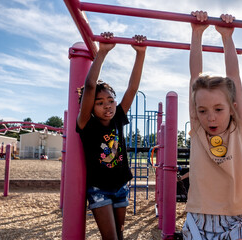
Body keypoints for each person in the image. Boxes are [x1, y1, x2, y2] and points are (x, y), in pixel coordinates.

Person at [183, 11, 242, 239]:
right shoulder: (198, 129)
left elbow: (234, 78)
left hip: (238, 218)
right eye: (202, 111)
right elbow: (193, 78)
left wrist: (227, 38)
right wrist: (196, 34)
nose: (210, 117)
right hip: (200, 218)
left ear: (233, 107)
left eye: (219, 109)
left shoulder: (238, 128)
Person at [76, 32, 147, 240]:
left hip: (121, 186)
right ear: (90, 107)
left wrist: (140, 54)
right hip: (99, 189)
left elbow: (132, 88)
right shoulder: (86, 124)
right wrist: (103, 51)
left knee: (120, 237)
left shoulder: (118, 119)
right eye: (99, 102)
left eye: (110, 100)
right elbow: (90, 86)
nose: (107, 105)